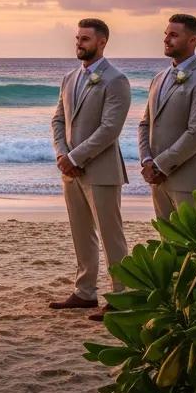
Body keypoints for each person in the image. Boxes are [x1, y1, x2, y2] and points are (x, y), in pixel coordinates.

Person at [49, 19, 131, 321]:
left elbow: (110, 129)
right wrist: (62, 154)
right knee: (81, 233)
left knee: (111, 235)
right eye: (78, 37)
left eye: (85, 39)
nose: (79, 43)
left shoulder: (116, 80)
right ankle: (85, 293)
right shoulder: (70, 78)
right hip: (70, 170)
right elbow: (58, 120)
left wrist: (77, 156)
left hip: (102, 170)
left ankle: (122, 296)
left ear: (102, 42)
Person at [138, 14, 196, 218]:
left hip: (191, 182)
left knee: (194, 247)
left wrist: (160, 165)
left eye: (174, 35)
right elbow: (145, 124)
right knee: (166, 246)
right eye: (166, 34)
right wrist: (147, 161)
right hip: (159, 182)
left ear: (193, 40)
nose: (166, 39)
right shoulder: (158, 79)